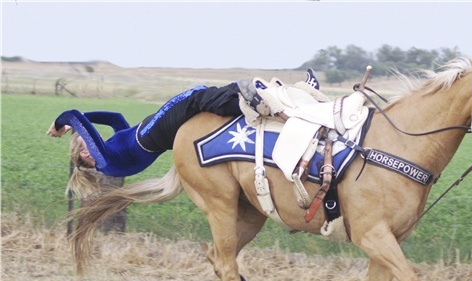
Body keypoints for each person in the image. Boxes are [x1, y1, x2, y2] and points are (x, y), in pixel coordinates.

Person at [47, 70, 322, 197]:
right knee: (196, 97)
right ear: (86, 153)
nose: (91, 138)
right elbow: (75, 114)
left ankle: (287, 93)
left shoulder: (110, 150)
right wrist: (62, 124)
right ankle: (251, 103)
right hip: (154, 135)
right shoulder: (106, 162)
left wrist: (78, 122)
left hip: (154, 129)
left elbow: (115, 118)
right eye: (85, 141)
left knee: (204, 94)